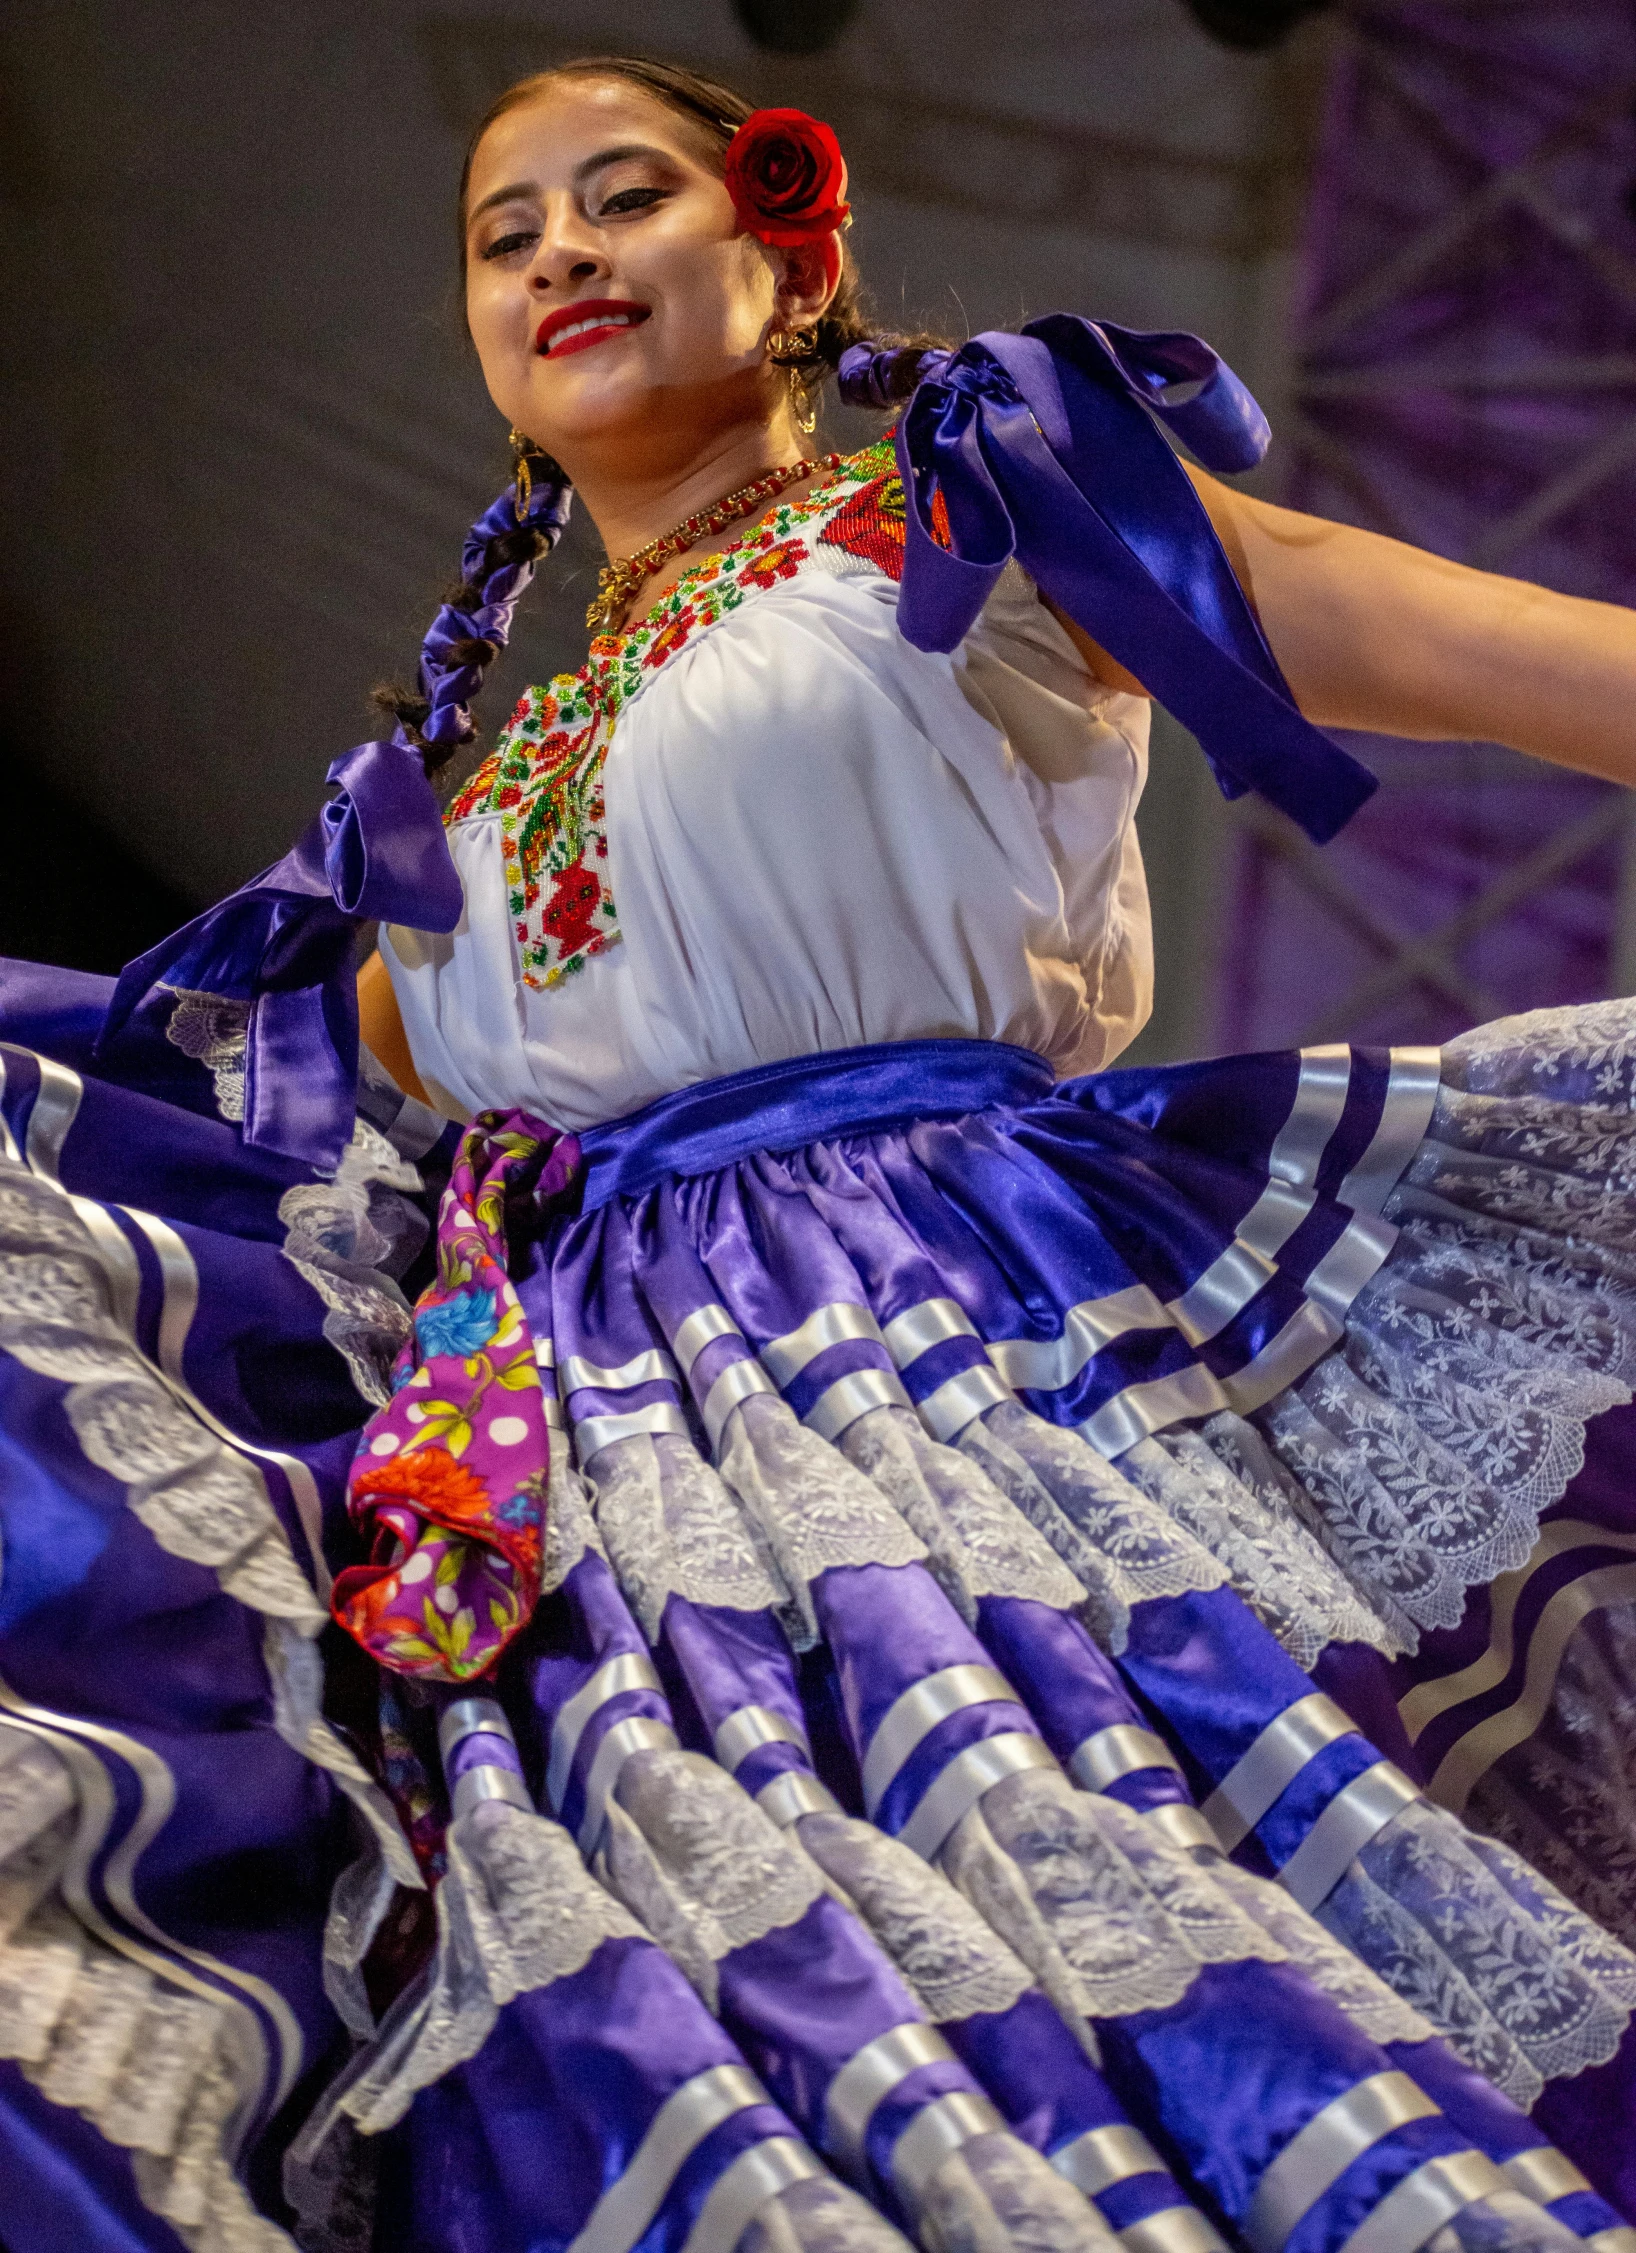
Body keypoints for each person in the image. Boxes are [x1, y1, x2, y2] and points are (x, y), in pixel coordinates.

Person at [3, 50, 1636, 2253]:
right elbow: (220, 1121)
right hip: (613, 1495)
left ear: (785, 263)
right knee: (728, 2041)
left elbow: (1430, 629)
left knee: (1141, 1979)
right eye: (507, 234)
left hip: (975, 1345)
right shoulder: (453, 816)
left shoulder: (963, 517)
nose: (558, 251)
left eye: (620, 198)